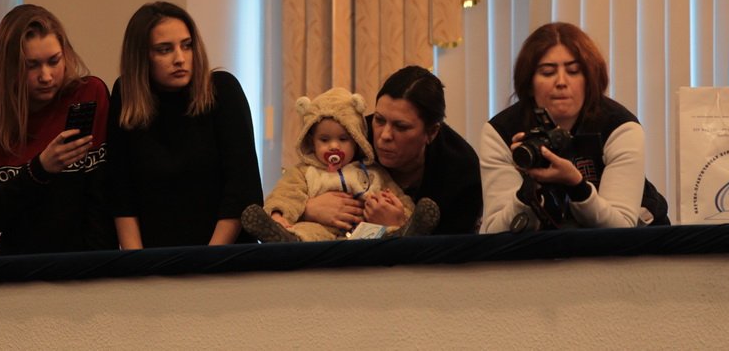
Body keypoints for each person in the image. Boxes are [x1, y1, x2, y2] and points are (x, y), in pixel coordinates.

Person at [480, 22, 669, 232]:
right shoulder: (502, 132)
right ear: (529, 83)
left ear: (589, 80)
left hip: (636, 247)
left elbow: (620, 226)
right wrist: (529, 189)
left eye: (573, 71)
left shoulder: (619, 126)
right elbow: (494, 231)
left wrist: (577, 186)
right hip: (540, 248)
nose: (561, 82)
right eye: (547, 72)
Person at [105, 1, 263, 248]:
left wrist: (208, 261)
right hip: (156, 258)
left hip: (225, 255)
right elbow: (122, 195)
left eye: (187, 46)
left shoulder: (223, 90)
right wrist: (136, 264)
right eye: (164, 50)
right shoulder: (125, 95)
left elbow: (243, 191)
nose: (180, 58)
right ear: (141, 57)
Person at [0, 4, 116, 256]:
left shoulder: (90, 94)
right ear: (10, 68)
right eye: (31, 65)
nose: (46, 76)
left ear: (66, 55)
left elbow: (104, 195)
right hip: (20, 267)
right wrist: (39, 169)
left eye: (54, 61)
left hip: (89, 264)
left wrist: (100, 267)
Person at [301, 66, 482, 235]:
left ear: (431, 132)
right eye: (379, 120)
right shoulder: (354, 137)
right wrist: (308, 209)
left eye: (401, 127)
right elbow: (302, 179)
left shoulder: (462, 172)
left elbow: (450, 253)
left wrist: (398, 227)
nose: (384, 135)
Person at [240, 87, 437, 242]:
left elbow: (398, 197)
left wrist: (404, 217)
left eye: (343, 139)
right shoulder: (304, 173)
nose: (334, 146)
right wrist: (277, 216)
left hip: (365, 234)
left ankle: (409, 232)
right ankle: (283, 239)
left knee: (385, 232)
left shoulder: (372, 173)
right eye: (324, 140)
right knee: (305, 233)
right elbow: (286, 195)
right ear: (311, 142)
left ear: (357, 140)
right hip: (320, 231)